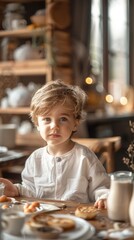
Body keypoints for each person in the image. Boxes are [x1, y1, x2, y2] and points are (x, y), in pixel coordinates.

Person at [0, 80, 110, 209]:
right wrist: (15, 190)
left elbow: (101, 186)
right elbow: (30, 191)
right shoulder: (34, 159)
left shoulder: (85, 157)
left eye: (63, 119)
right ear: (37, 124)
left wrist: (104, 196)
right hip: (43, 220)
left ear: (75, 123)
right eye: (47, 119)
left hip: (78, 220)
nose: (54, 126)